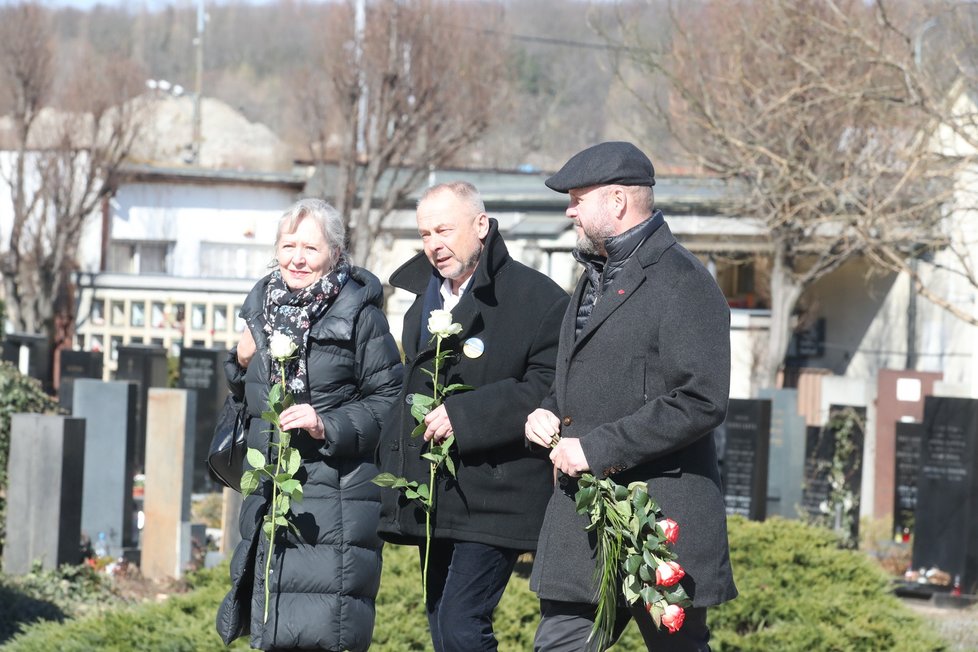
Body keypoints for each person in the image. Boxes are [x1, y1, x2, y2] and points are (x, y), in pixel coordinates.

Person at [524, 141, 737, 651]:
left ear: (617, 201)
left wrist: (596, 450)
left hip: (661, 526)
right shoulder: (592, 276)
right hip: (586, 528)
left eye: (578, 198)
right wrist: (548, 412)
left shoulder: (685, 282)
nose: (569, 209)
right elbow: (587, 381)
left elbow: (701, 399)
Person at [376, 181, 569, 652]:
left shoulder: (539, 298)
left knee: (463, 623)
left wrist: (465, 415)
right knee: (441, 621)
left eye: (444, 229)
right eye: (424, 234)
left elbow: (548, 387)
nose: (433, 245)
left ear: (480, 225)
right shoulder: (422, 299)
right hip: (435, 492)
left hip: (498, 492)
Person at [216, 198, 403, 651]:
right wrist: (239, 365)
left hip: (333, 503)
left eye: (310, 248)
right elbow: (251, 403)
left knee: (322, 633)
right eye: (288, 245)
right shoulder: (260, 312)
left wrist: (327, 424)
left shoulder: (361, 316)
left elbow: (391, 404)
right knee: (271, 630)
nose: (296, 258)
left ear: (336, 254)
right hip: (272, 499)